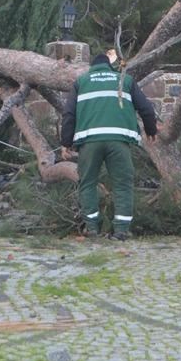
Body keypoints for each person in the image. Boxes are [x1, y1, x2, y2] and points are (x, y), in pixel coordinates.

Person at [60, 48, 158, 240]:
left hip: (89, 143)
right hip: (118, 142)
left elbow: (69, 114)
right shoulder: (125, 81)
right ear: (109, 65)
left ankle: (92, 228)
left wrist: (66, 142)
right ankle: (121, 230)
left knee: (87, 183)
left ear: (92, 67)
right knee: (122, 184)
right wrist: (151, 130)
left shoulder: (81, 82)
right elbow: (146, 108)